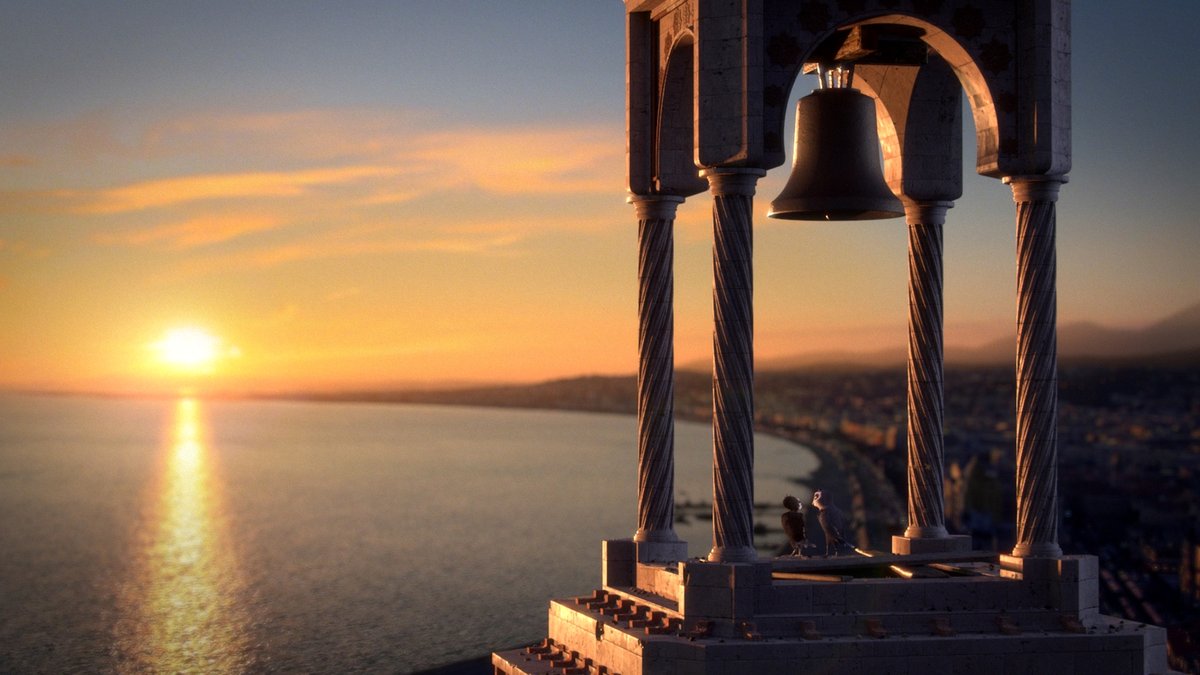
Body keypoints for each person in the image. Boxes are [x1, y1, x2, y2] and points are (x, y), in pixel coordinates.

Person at [812, 489, 849, 557]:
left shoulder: (824, 514)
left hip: (835, 536)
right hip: (839, 536)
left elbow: (828, 527)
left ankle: (831, 552)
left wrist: (837, 537)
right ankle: (835, 551)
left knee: (829, 536)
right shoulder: (837, 511)